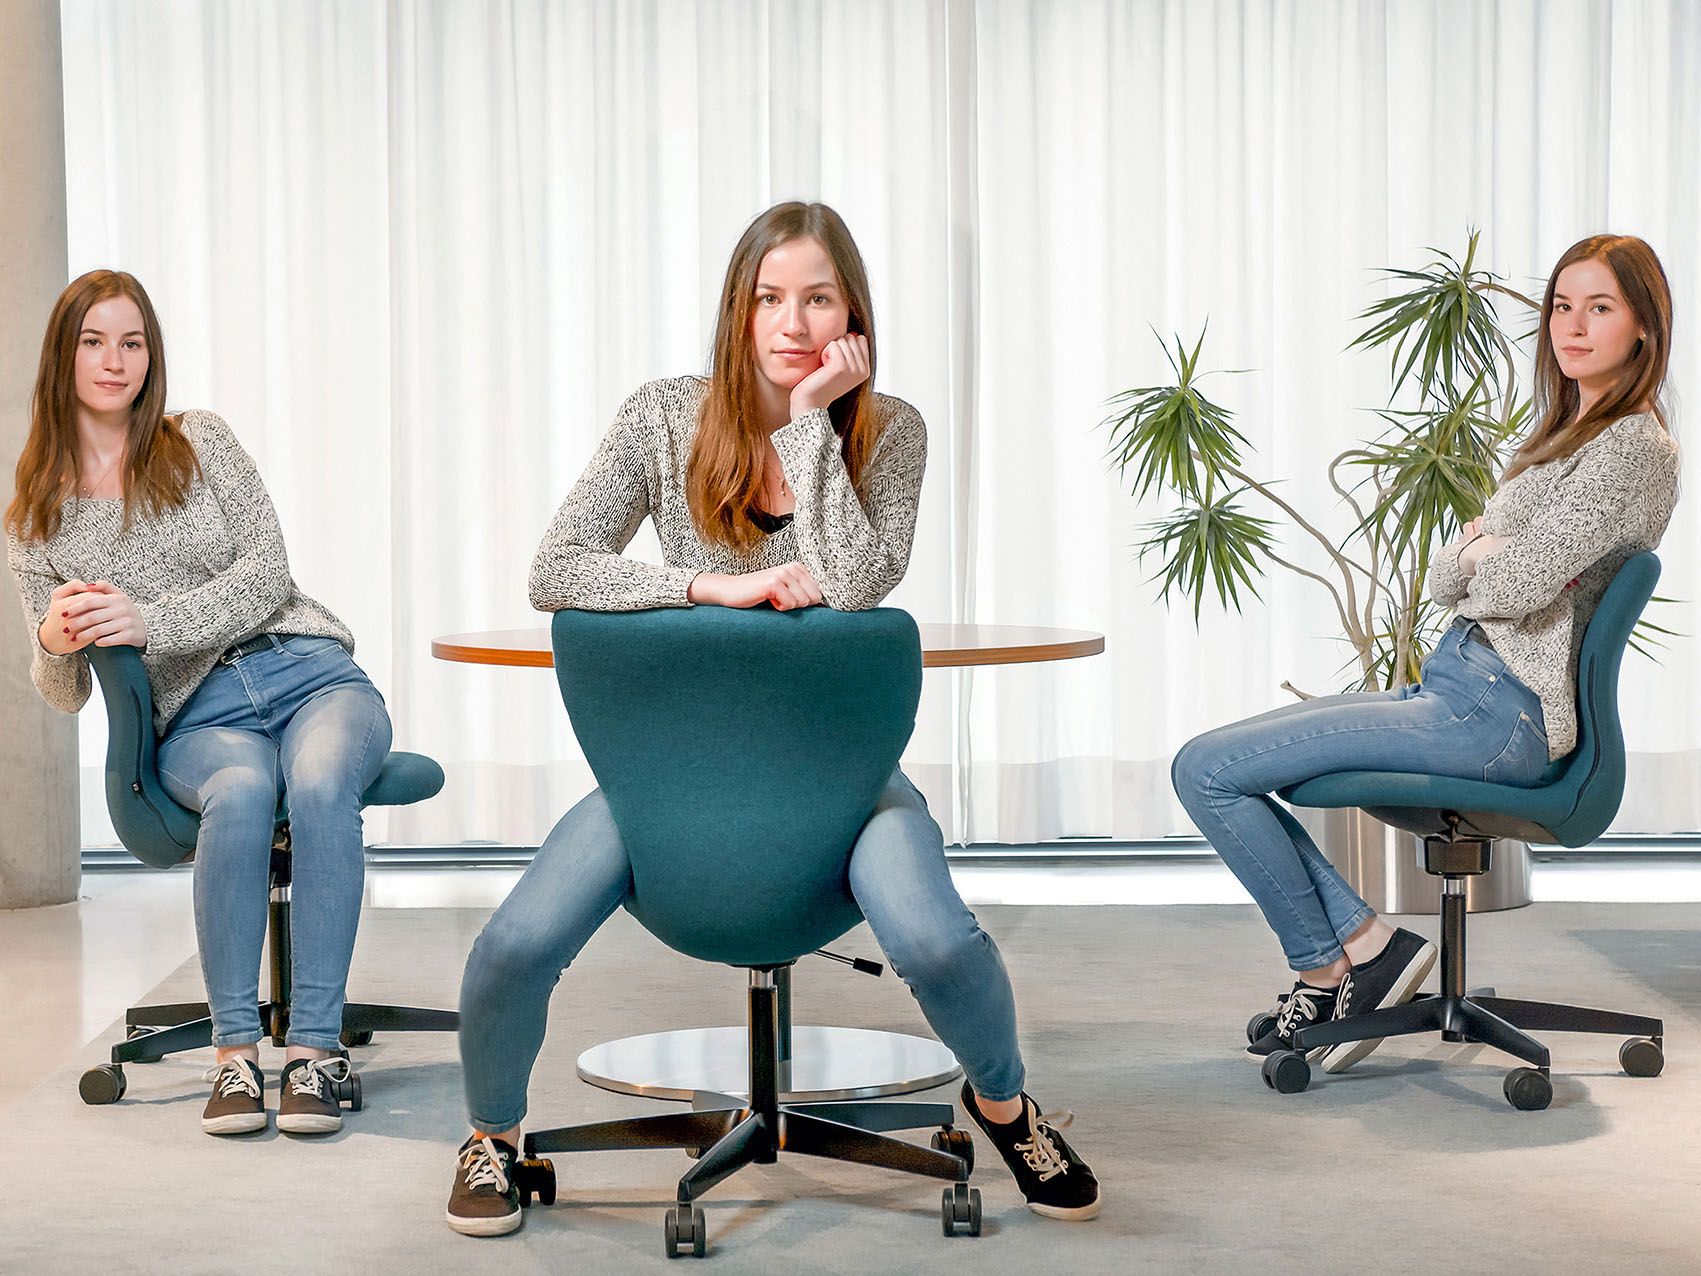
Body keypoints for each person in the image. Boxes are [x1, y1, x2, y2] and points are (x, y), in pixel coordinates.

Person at [446, 202, 1101, 1236]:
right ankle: (490, 1139)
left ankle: (1006, 1106)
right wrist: (711, 587)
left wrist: (809, 422)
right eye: (769, 298)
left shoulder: (891, 432)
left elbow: (856, 584)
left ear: (852, 314)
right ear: (737, 310)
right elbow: (555, 567)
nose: (792, 322)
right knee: (513, 945)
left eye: (818, 297)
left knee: (936, 944)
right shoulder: (663, 417)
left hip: (840, 773)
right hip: (670, 774)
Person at [1171, 233, 1680, 1072]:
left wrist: (1486, 553)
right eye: (1561, 305)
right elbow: (1450, 571)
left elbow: (1512, 580)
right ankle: (1359, 949)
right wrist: (1482, 556)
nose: (1572, 326)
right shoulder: (1564, 434)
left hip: (1497, 713)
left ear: (1643, 328)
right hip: (1455, 688)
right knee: (1216, 765)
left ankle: (1343, 959)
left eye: (1600, 307)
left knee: (1205, 769)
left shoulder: (1630, 448)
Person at [4, 270, 391, 1136]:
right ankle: (234, 1058)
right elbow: (61, 690)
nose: (114, 361)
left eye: (132, 341)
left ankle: (314, 1056)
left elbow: (269, 573)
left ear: (152, 354)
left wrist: (152, 619)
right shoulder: (37, 518)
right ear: (62, 357)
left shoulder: (201, 441)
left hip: (309, 671)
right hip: (202, 715)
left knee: (324, 785)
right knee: (244, 793)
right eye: (93, 341)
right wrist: (55, 641)